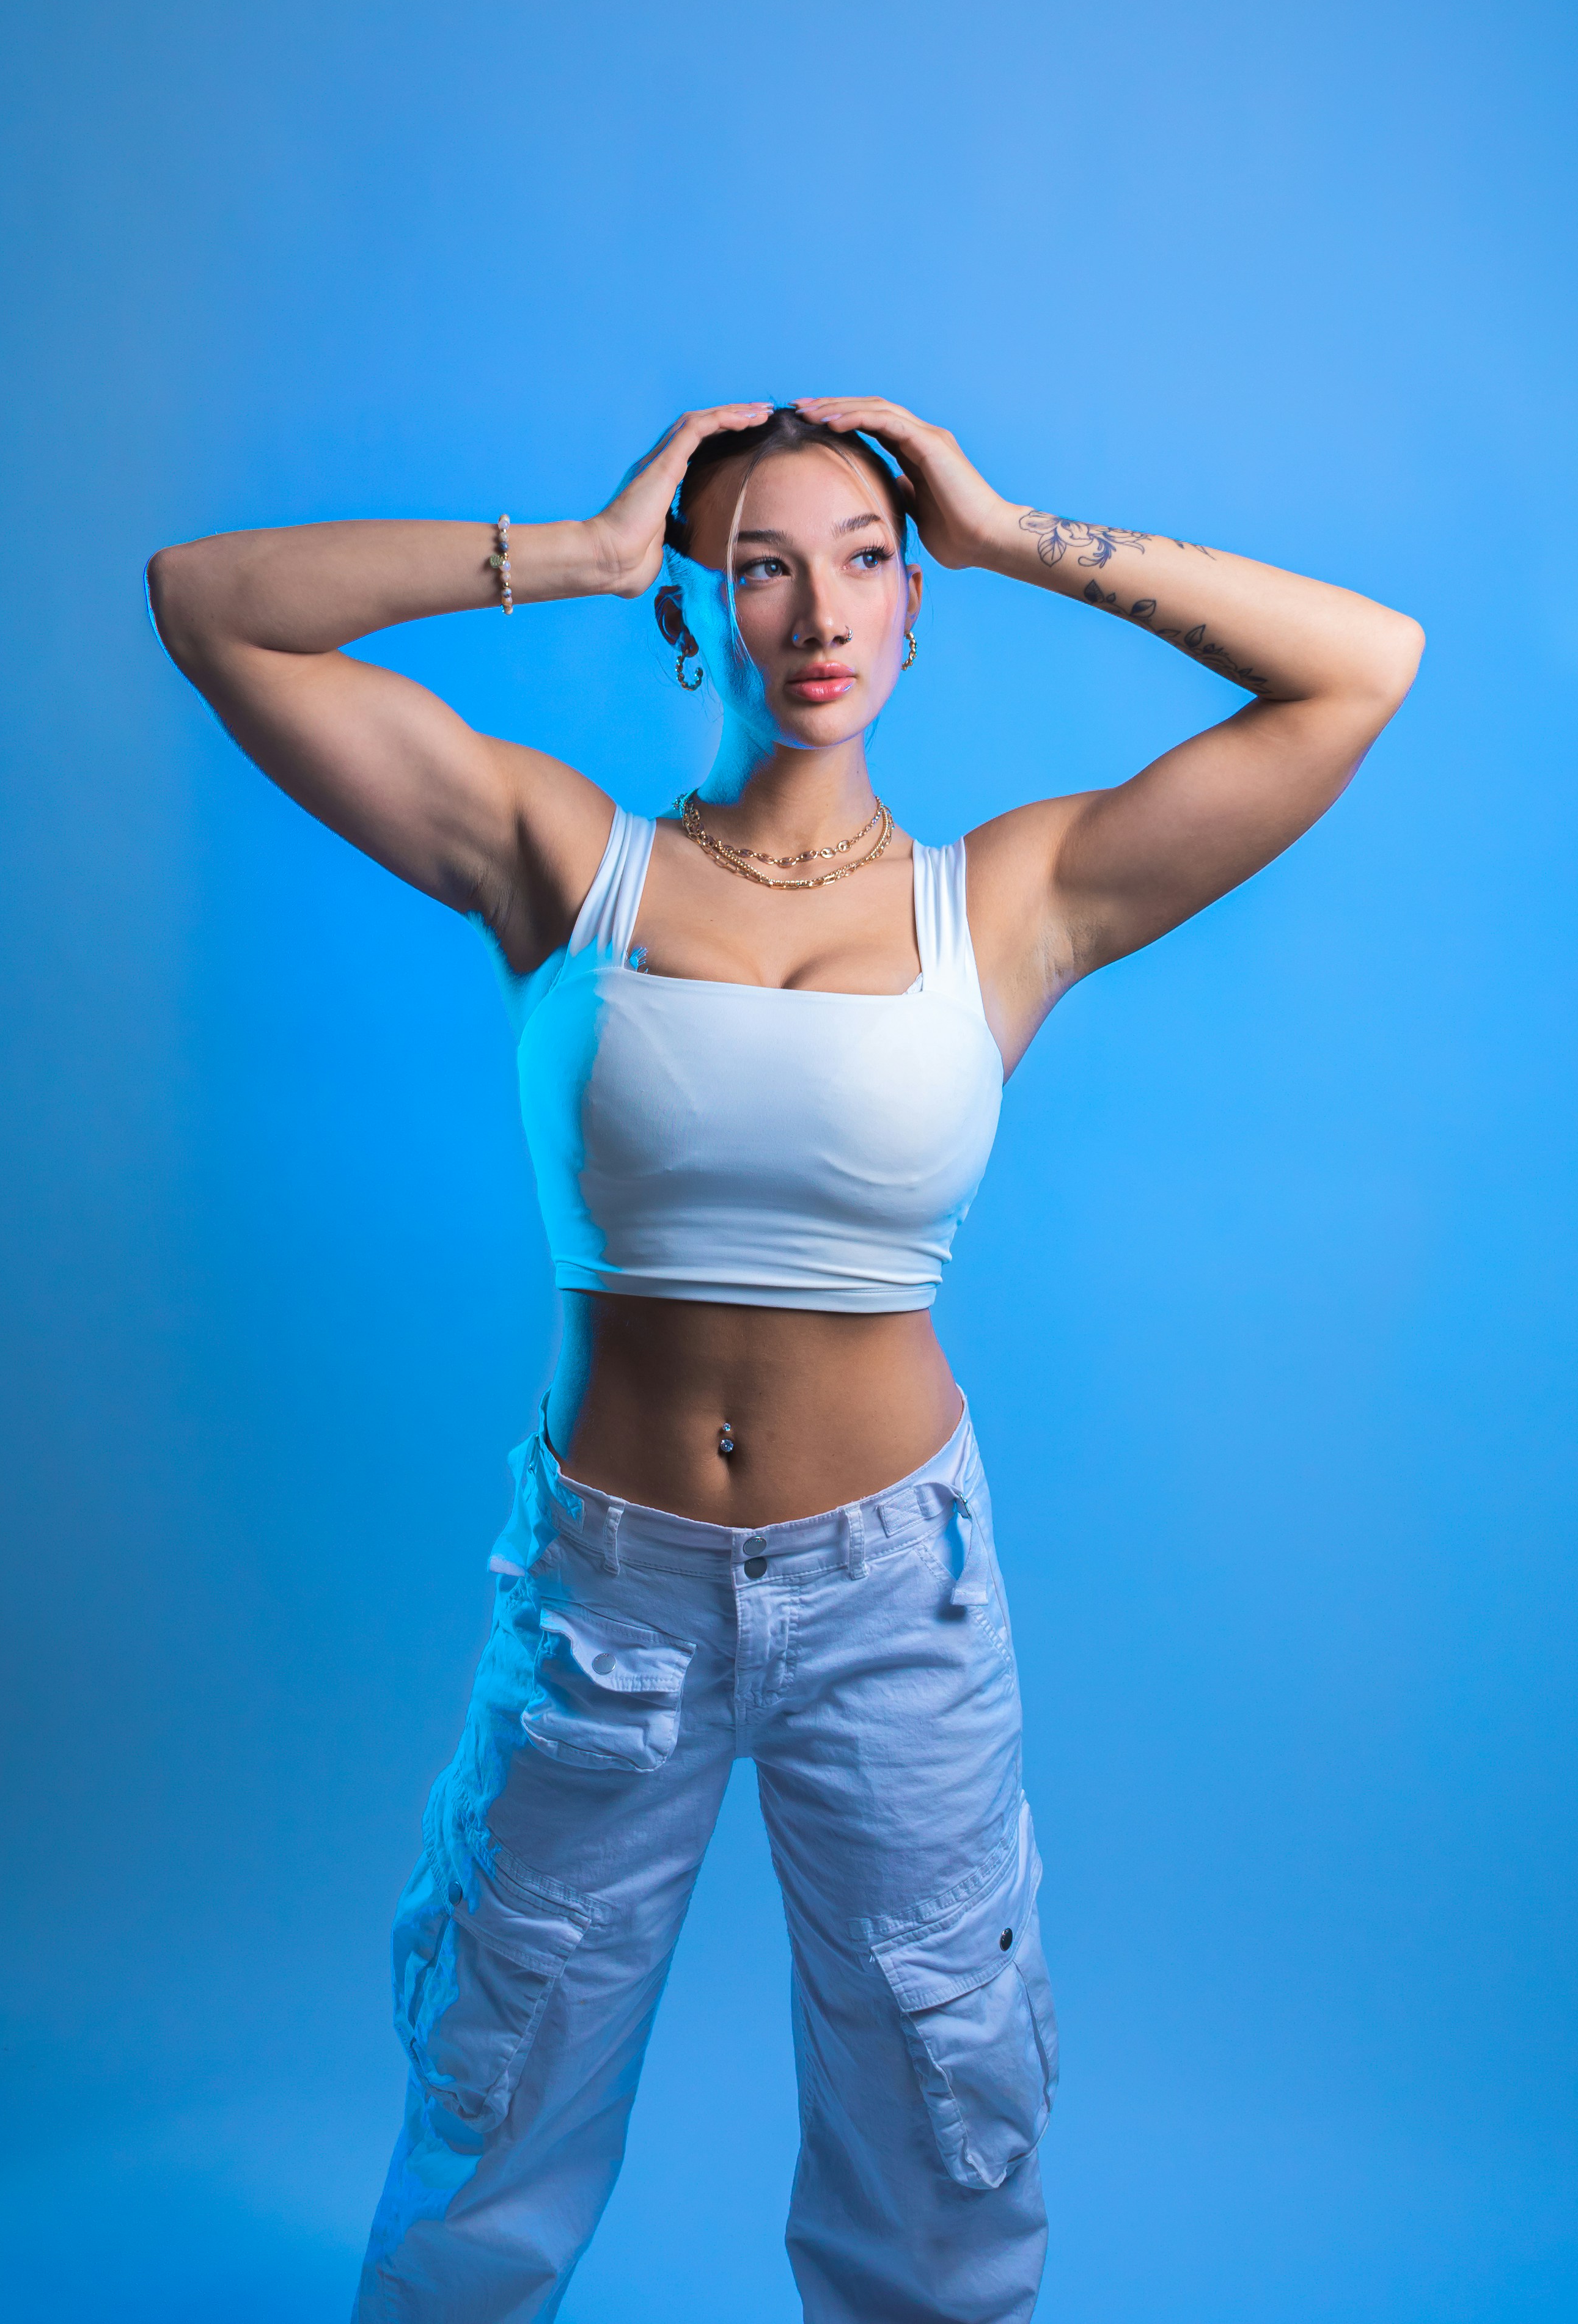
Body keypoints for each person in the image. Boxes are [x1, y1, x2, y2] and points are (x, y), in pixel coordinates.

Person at [147, 398, 1423, 2324]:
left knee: (941, 2145)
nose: (817, 610)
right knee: (489, 2122)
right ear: (692, 612)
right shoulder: (557, 857)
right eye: (758, 563)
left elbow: (1360, 673)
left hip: (896, 1602)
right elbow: (211, 607)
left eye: (861, 563)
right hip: (609, 1602)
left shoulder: (1007, 898)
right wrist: (577, 545)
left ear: (911, 610)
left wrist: (1007, 530)